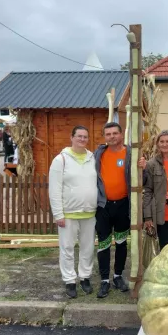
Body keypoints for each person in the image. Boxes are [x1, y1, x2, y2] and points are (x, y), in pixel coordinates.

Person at [49, 126, 98, 299]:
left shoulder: (92, 158)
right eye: (79, 136)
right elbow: (54, 189)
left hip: (89, 213)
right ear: (72, 137)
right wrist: (58, 214)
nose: (82, 139)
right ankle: (70, 280)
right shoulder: (61, 160)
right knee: (67, 248)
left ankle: (84, 277)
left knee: (87, 248)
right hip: (68, 214)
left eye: (85, 137)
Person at [94, 122, 130, 298]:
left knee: (122, 242)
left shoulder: (130, 153)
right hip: (103, 206)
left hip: (123, 204)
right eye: (108, 134)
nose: (111, 137)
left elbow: (143, 178)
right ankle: (104, 280)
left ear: (121, 134)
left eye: (115, 133)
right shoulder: (99, 154)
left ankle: (117, 275)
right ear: (104, 137)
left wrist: (143, 166)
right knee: (104, 242)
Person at [142, 130, 168, 250]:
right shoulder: (152, 164)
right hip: (161, 213)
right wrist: (147, 217)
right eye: (162, 141)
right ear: (157, 143)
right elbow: (147, 191)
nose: (165, 144)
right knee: (165, 248)